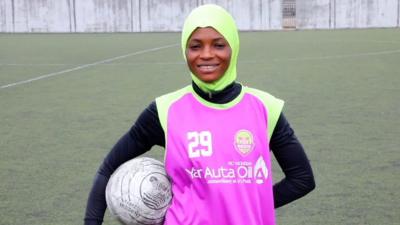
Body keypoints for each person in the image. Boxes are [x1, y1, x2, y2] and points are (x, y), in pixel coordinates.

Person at [84, 4, 315, 225]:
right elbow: (108, 169)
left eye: (218, 45)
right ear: (185, 51)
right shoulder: (165, 110)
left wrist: (250, 205)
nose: (206, 55)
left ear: (233, 47)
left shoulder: (265, 108)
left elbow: (302, 179)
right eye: (195, 46)